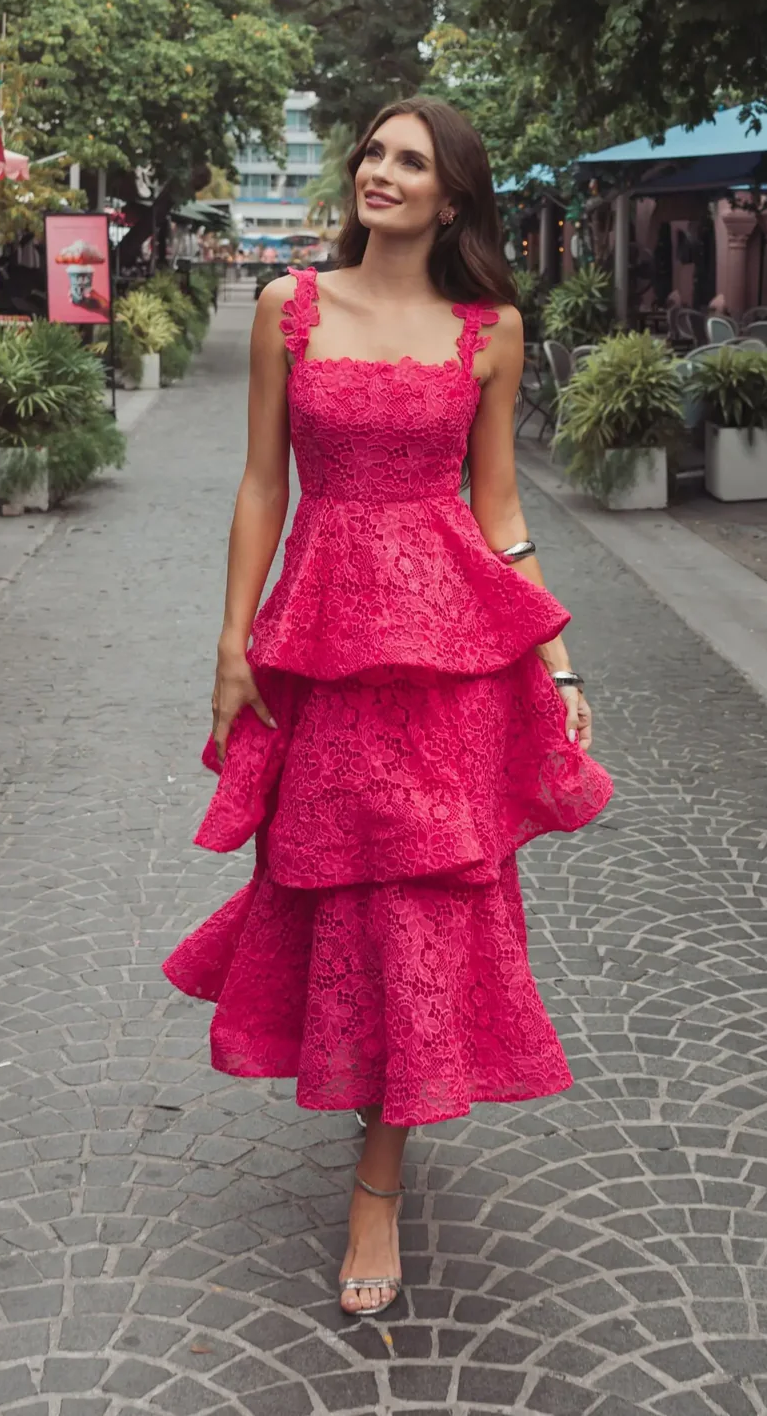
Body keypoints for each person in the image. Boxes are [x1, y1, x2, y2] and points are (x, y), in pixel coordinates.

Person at [163, 97, 613, 1319]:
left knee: (418, 894)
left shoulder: (491, 329)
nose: (381, 171)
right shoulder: (287, 309)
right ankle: (363, 1081)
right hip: (320, 641)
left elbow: (502, 513)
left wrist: (559, 668)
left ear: (452, 195)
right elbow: (263, 482)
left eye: (410, 161)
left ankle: (379, 1181)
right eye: (372, 152)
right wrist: (232, 641)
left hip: (444, 659)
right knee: (328, 880)